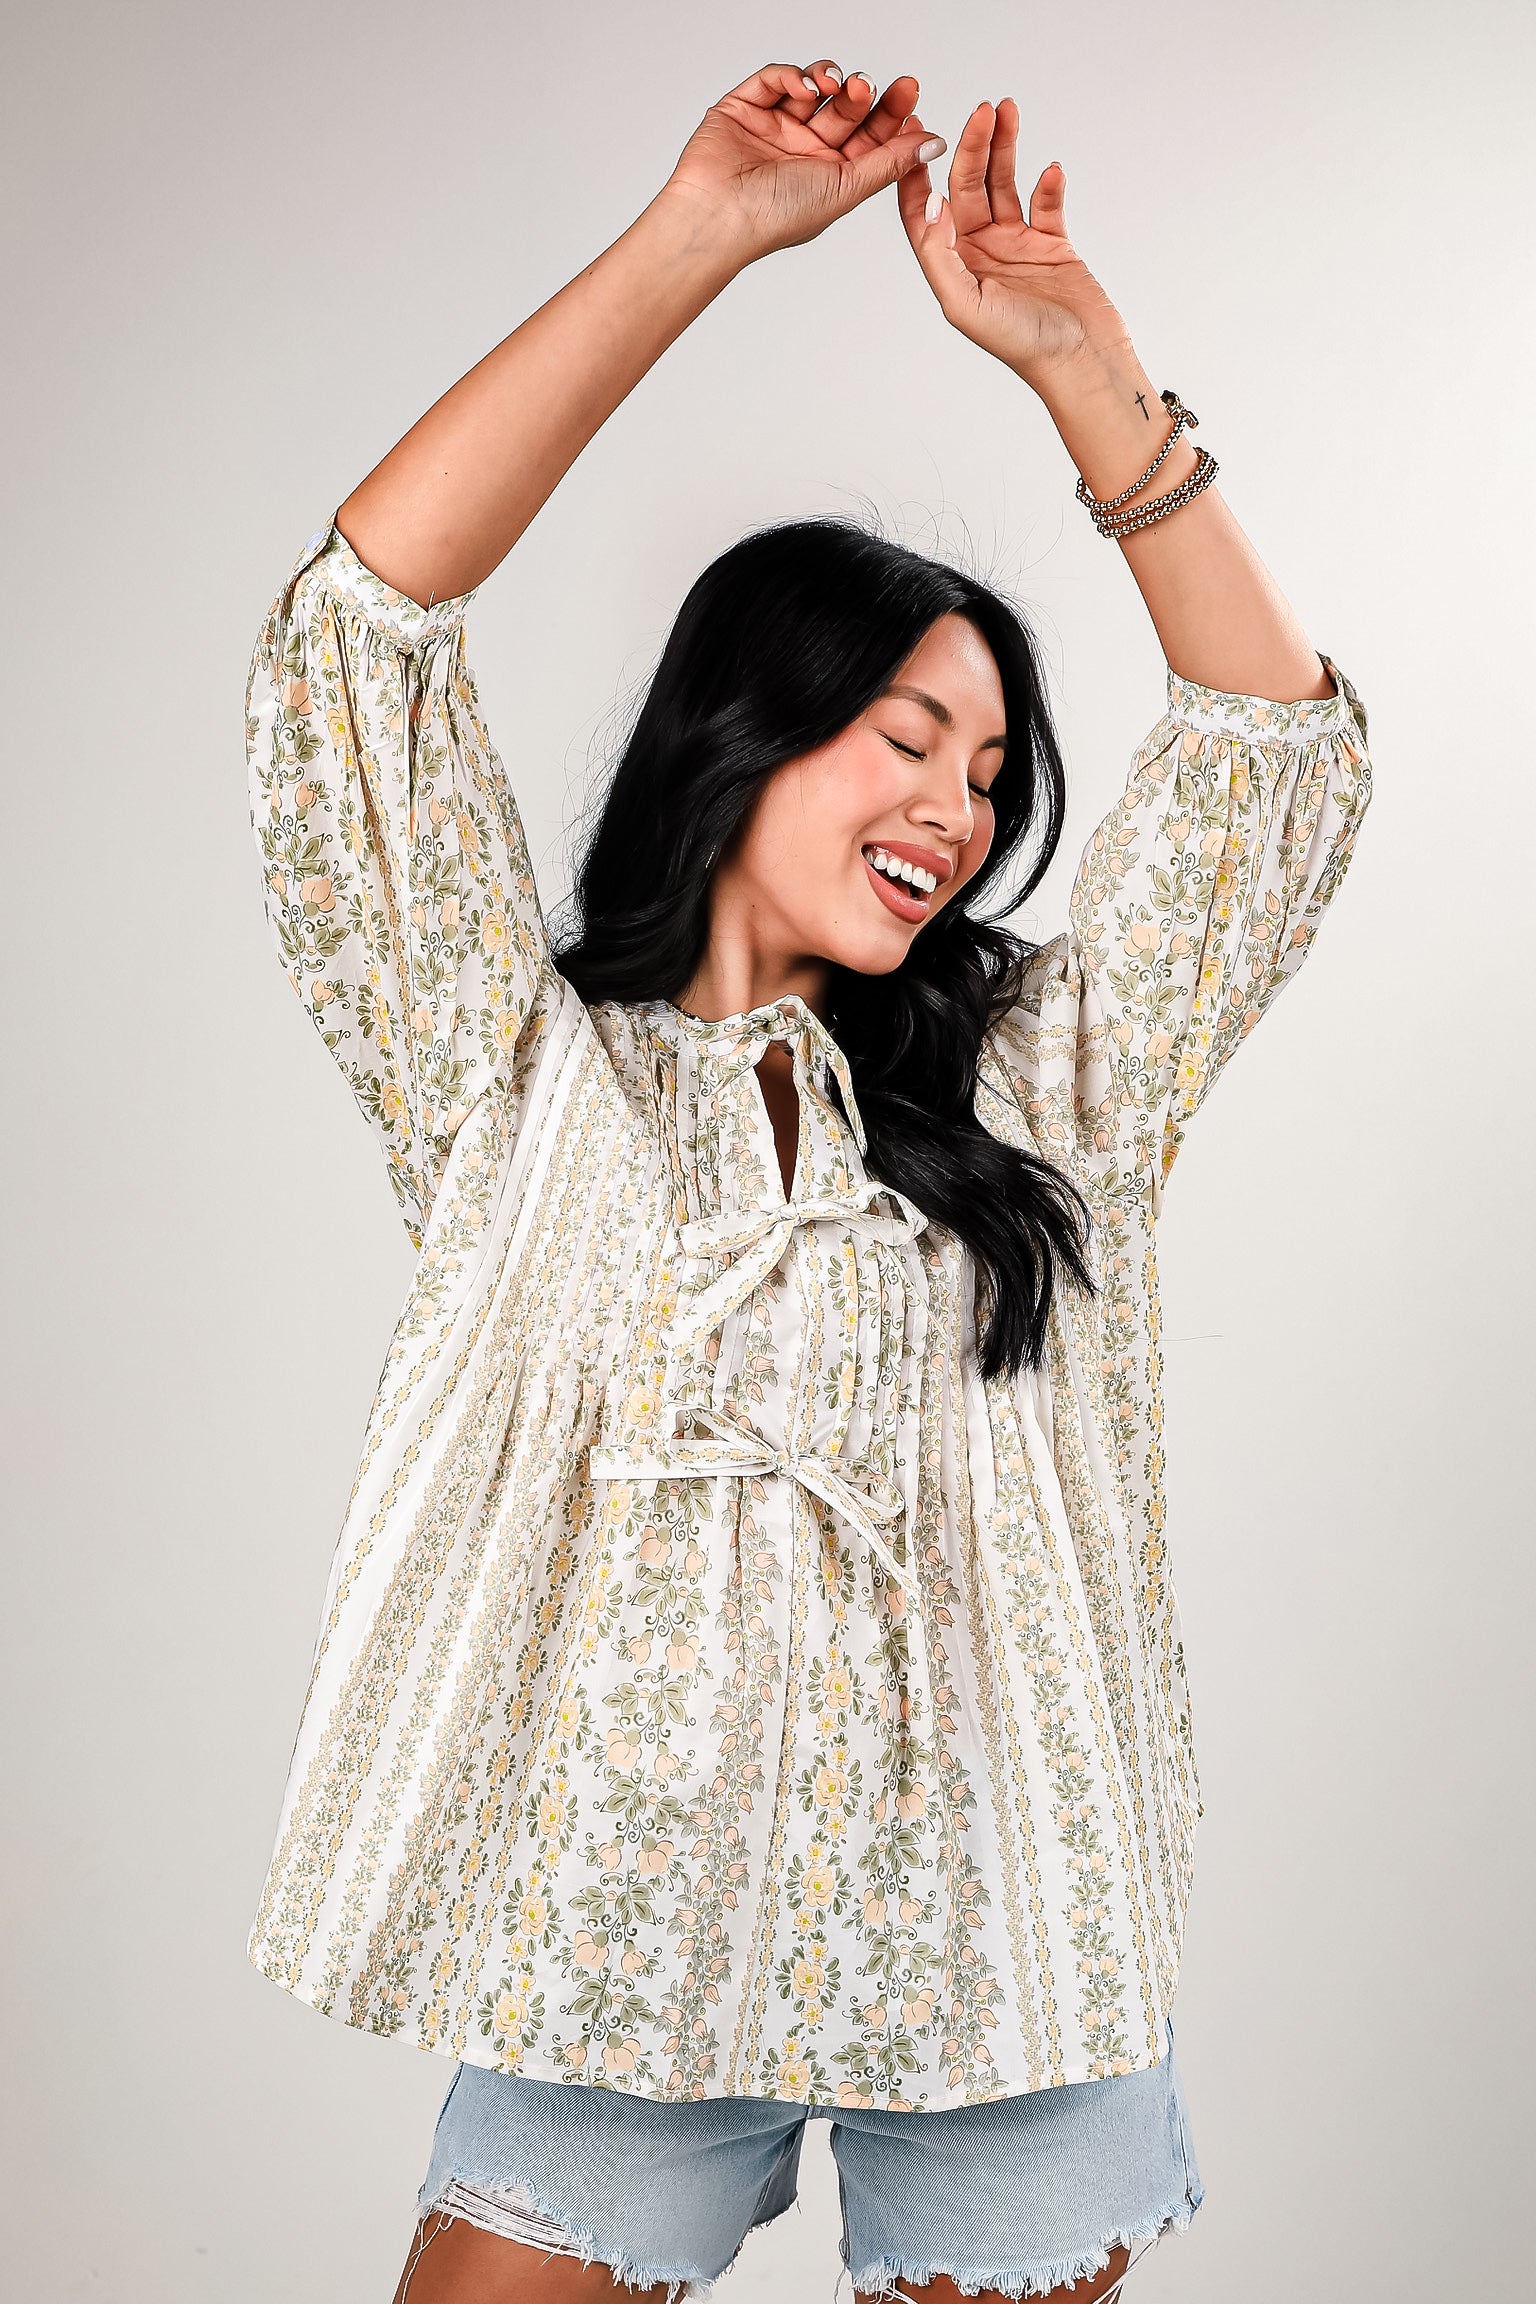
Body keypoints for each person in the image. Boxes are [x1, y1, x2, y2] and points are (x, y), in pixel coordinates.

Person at [243, 56, 1372, 2304]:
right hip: (622, 1924)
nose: (961, 812)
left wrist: (1080, 361)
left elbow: (1274, 768)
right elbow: (356, 642)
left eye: (991, 772)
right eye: (909, 738)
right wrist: (697, 240)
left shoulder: (1040, 1078)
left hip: (1012, 1941)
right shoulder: (520, 1081)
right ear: (746, 735)